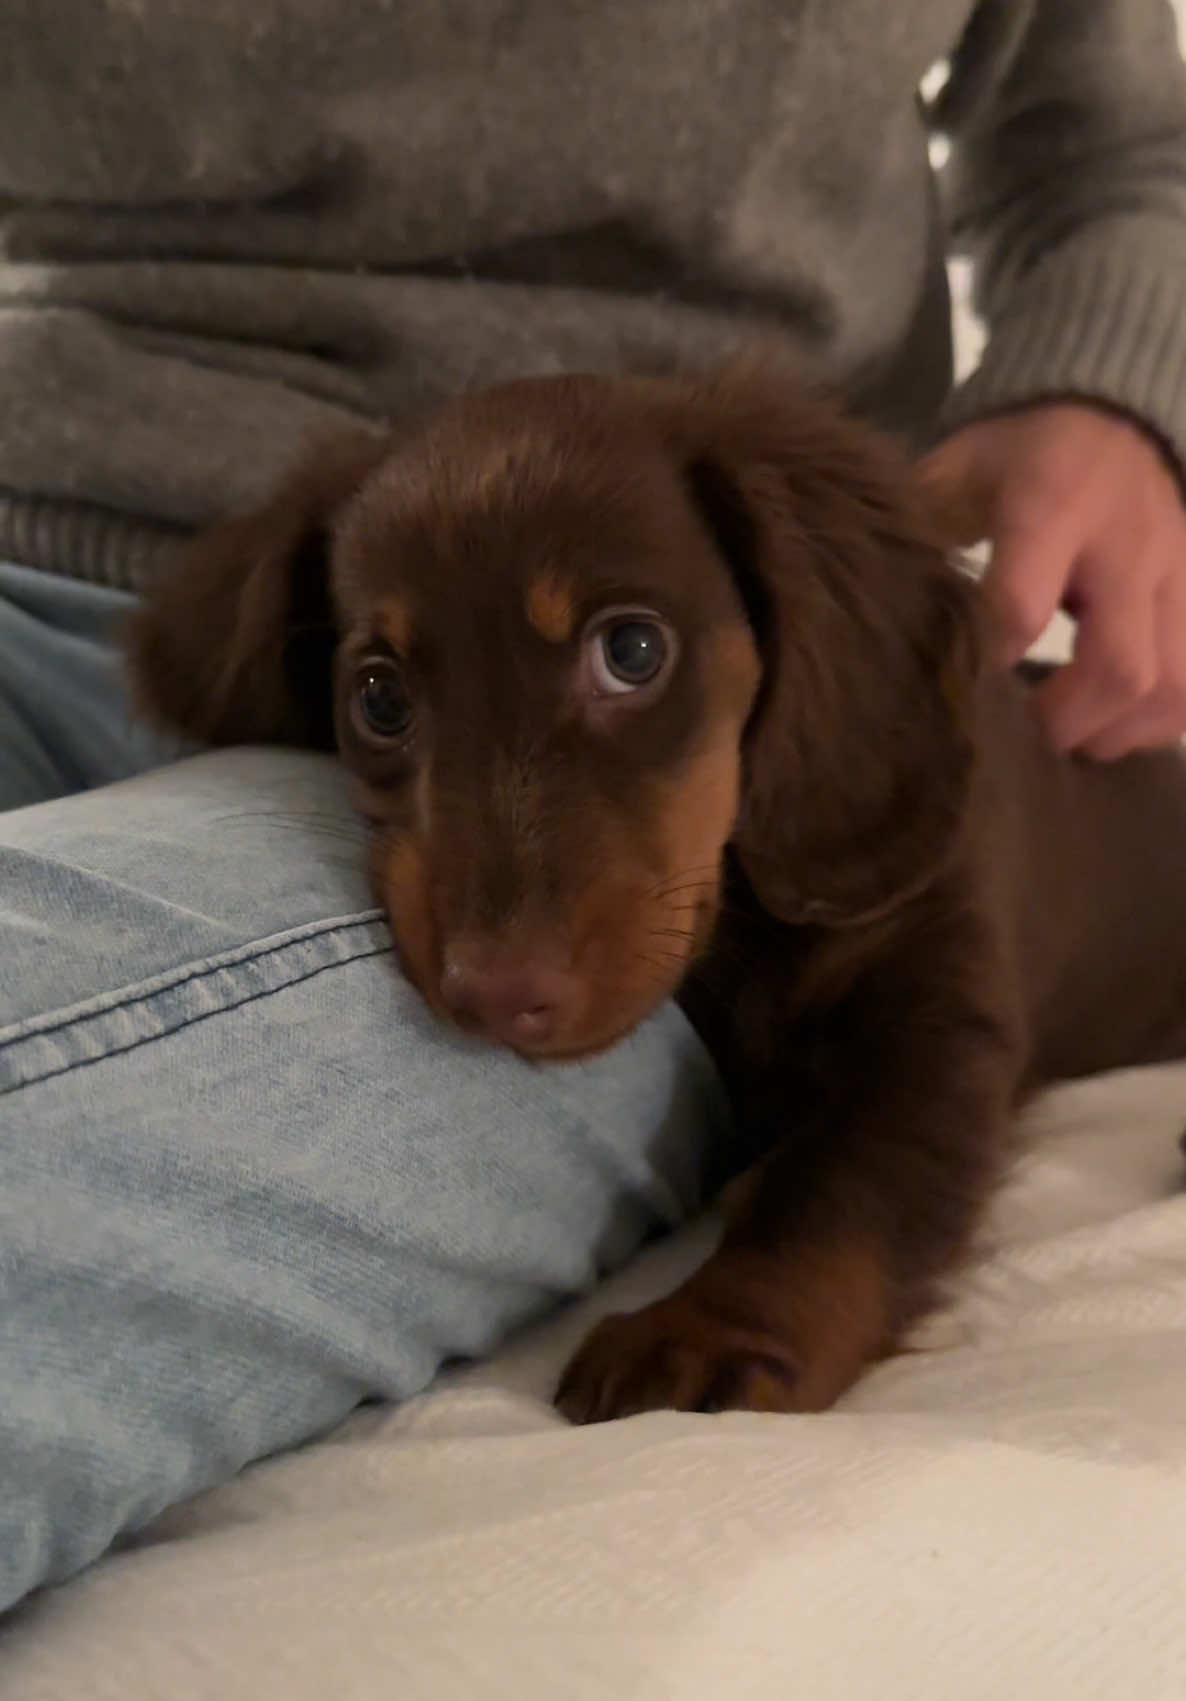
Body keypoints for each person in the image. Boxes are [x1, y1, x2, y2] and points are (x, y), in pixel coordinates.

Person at [2, 0, 1186, 1612]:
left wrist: (1112, 379)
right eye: (385, 703)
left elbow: (929, 1065)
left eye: (627, 654)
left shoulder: (846, 750)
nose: (494, 951)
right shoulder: (303, 608)